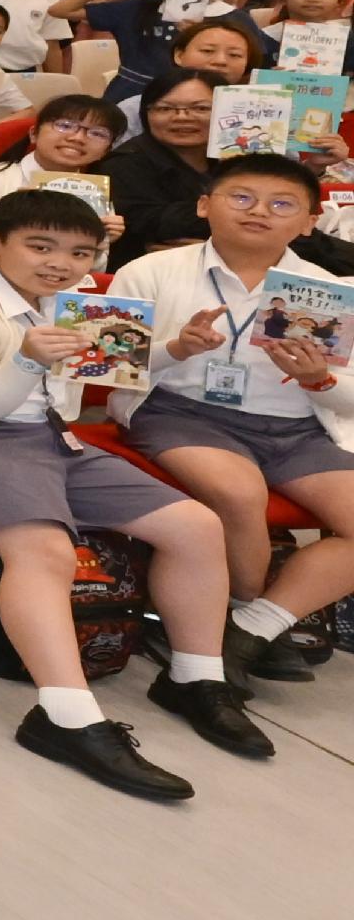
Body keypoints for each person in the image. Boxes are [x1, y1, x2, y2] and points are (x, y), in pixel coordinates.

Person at [0, 186, 270, 796]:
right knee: (45, 553)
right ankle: (66, 717)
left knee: (197, 526)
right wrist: (29, 360)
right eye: (41, 246)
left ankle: (194, 677)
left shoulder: (70, 300)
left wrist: (177, 348)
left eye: (80, 252)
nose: (61, 262)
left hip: (45, 432)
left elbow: (106, 365)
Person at [110, 153, 354, 687]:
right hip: (184, 415)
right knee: (240, 495)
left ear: (311, 220)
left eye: (282, 204)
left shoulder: (328, 291)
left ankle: (250, 630)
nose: (259, 211)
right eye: (241, 197)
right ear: (205, 205)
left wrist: (321, 381)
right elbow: (106, 365)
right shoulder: (149, 271)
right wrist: (174, 348)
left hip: (296, 428)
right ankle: (236, 616)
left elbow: (350, 398)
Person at [0, 95, 126, 275]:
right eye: (65, 126)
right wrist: (18, 232)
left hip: (54, 290)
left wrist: (99, 243)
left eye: (97, 134)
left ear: (106, 151)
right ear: (34, 134)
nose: (78, 138)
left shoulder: (93, 192)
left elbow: (94, 271)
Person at [106, 72, 226, 259]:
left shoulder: (243, 160)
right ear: (146, 114)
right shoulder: (124, 163)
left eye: (201, 108)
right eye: (165, 109)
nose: (182, 117)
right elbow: (152, 223)